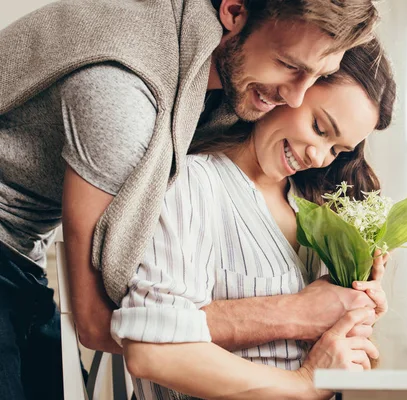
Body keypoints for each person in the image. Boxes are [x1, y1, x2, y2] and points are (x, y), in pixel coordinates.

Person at [0, 0, 382, 399]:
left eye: (318, 75)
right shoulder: (123, 94)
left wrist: (349, 288)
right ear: (233, 12)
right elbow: (104, 326)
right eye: (289, 65)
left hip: (23, 250)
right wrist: (298, 329)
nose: (295, 96)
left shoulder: (211, 72)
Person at [111, 38, 396, 400]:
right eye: (320, 128)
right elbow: (153, 350)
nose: (319, 156)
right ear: (291, 86)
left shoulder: (311, 205)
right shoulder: (192, 183)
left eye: (337, 150)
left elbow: (330, 356)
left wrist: (354, 316)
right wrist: (306, 380)